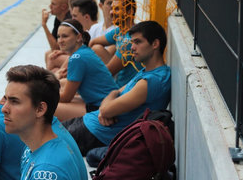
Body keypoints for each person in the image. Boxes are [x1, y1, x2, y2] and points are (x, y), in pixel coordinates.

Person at [63, 20, 171, 156]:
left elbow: (106, 108)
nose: (132, 47)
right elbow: (114, 92)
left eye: (138, 42)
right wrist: (107, 107)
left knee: (45, 142)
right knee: (47, 130)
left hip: (95, 134)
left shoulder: (152, 81)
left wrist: (106, 110)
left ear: (155, 44)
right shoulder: (146, 71)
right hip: (90, 122)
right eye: (132, 42)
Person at [1, 65, 88, 180]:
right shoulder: (39, 143)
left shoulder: (46, 175)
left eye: (14, 101)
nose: (4, 109)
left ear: (40, 109)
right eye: (6, 99)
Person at [54, 19, 118, 121]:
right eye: (58, 36)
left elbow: (66, 97)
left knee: (49, 107)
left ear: (79, 37)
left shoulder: (77, 58)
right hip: (106, 101)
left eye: (65, 36)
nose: (60, 40)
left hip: (101, 107)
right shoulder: (84, 51)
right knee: (60, 84)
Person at [90, 0, 143, 87]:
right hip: (116, 80)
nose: (111, 12)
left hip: (124, 89)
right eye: (111, 8)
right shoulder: (119, 31)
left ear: (130, 12)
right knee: (96, 48)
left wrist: (82, 71)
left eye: (117, 9)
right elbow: (93, 42)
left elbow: (109, 71)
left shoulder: (130, 39)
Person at [43, 0, 71, 72]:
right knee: (48, 54)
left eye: (53, 4)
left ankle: (48, 82)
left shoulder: (68, 21)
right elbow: (55, 46)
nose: (50, 6)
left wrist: (44, 25)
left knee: (51, 56)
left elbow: (56, 47)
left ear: (63, 7)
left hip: (74, 54)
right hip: (68, 52)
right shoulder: (58, 18)